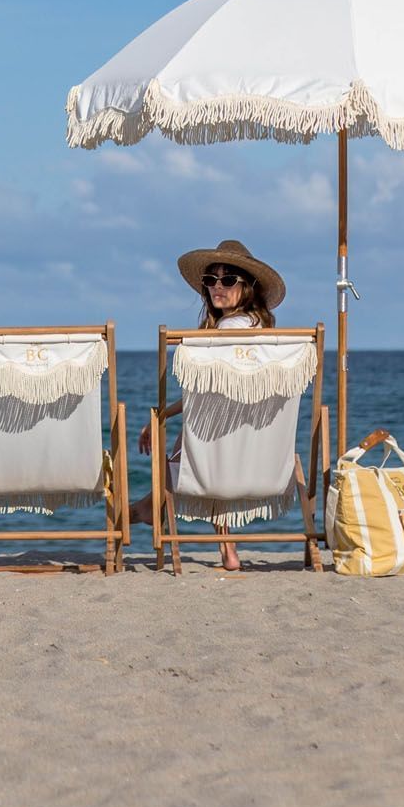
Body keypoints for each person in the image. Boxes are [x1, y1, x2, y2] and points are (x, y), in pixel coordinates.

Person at [129, 239, 286, 571]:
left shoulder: (224, 332)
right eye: (211, 280)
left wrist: (157, 417)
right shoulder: (267, 337)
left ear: (248, 288)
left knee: (196, 438)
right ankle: (151, 512)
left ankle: (142, 511)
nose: (217, 287)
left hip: (220, 453)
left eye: (228, 280)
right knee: (203, 430)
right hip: (262, 451)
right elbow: (217, 394)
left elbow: (204, 394)